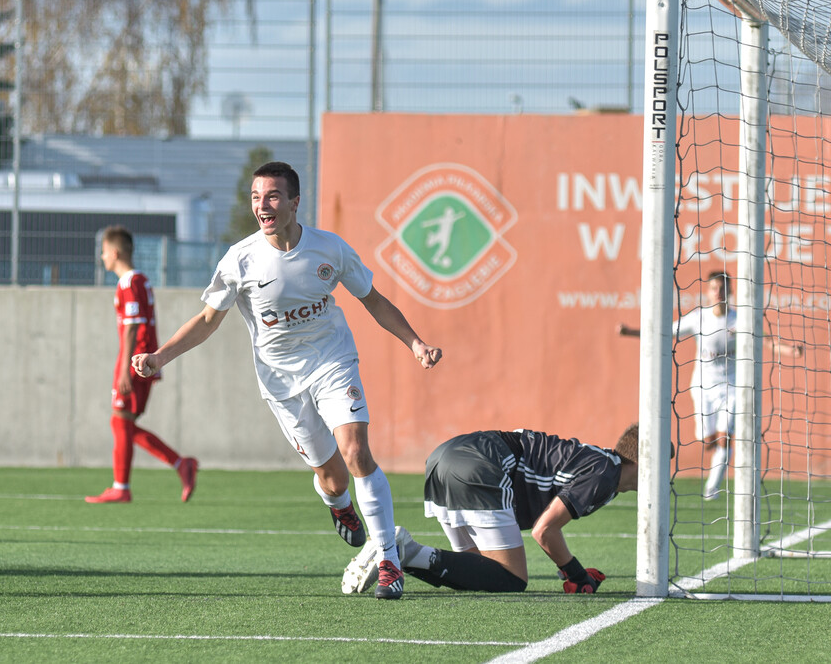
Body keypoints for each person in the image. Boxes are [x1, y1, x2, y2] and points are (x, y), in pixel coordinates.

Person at [132, 161, 442, 600]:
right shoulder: (240, 259)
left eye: (273, 196)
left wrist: (415, 343)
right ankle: (338, 505)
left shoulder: (329, 249)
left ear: (295, 203)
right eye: (257, 197)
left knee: (356, 452)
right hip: (280, 381)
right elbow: (207, 320)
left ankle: (389, 559)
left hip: (332, 360)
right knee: (334, 477)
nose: (263, 205)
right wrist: (160, 356)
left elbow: (373, 300)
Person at [343, 424, 640, 595]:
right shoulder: (606, 473)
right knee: (512, 579)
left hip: (444, 457)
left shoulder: (602, 463)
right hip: (481, 464)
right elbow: (544, 530)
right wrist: (576, 575)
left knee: (478, 573)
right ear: (642, 461)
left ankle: (396, 553)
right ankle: (402, 550)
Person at [619, 270, 801, 500]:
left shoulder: (739, 320)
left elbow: (766, 341)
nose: (719, 293)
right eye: (714, 288)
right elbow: (665, 332)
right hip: (703, 387)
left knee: (725, 439)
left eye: (723, 288)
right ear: (707, 292)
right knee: (708, 441)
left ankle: (712, 487)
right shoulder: (698, 318)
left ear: (731, 291)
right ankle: (712, 451)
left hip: (731, 388)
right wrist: (630, 332)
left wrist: (790, 350)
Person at [85, 226, 198, 504]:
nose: (102, 258)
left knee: (120, 421)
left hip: (136, 361)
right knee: (122, 423)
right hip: (141, 360)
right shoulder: (141, 280)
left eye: (103, 252)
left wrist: (124, 367)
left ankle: (122, 486)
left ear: (115, 252)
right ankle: (179, 465)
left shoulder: (130, 282)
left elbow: (133, 327)